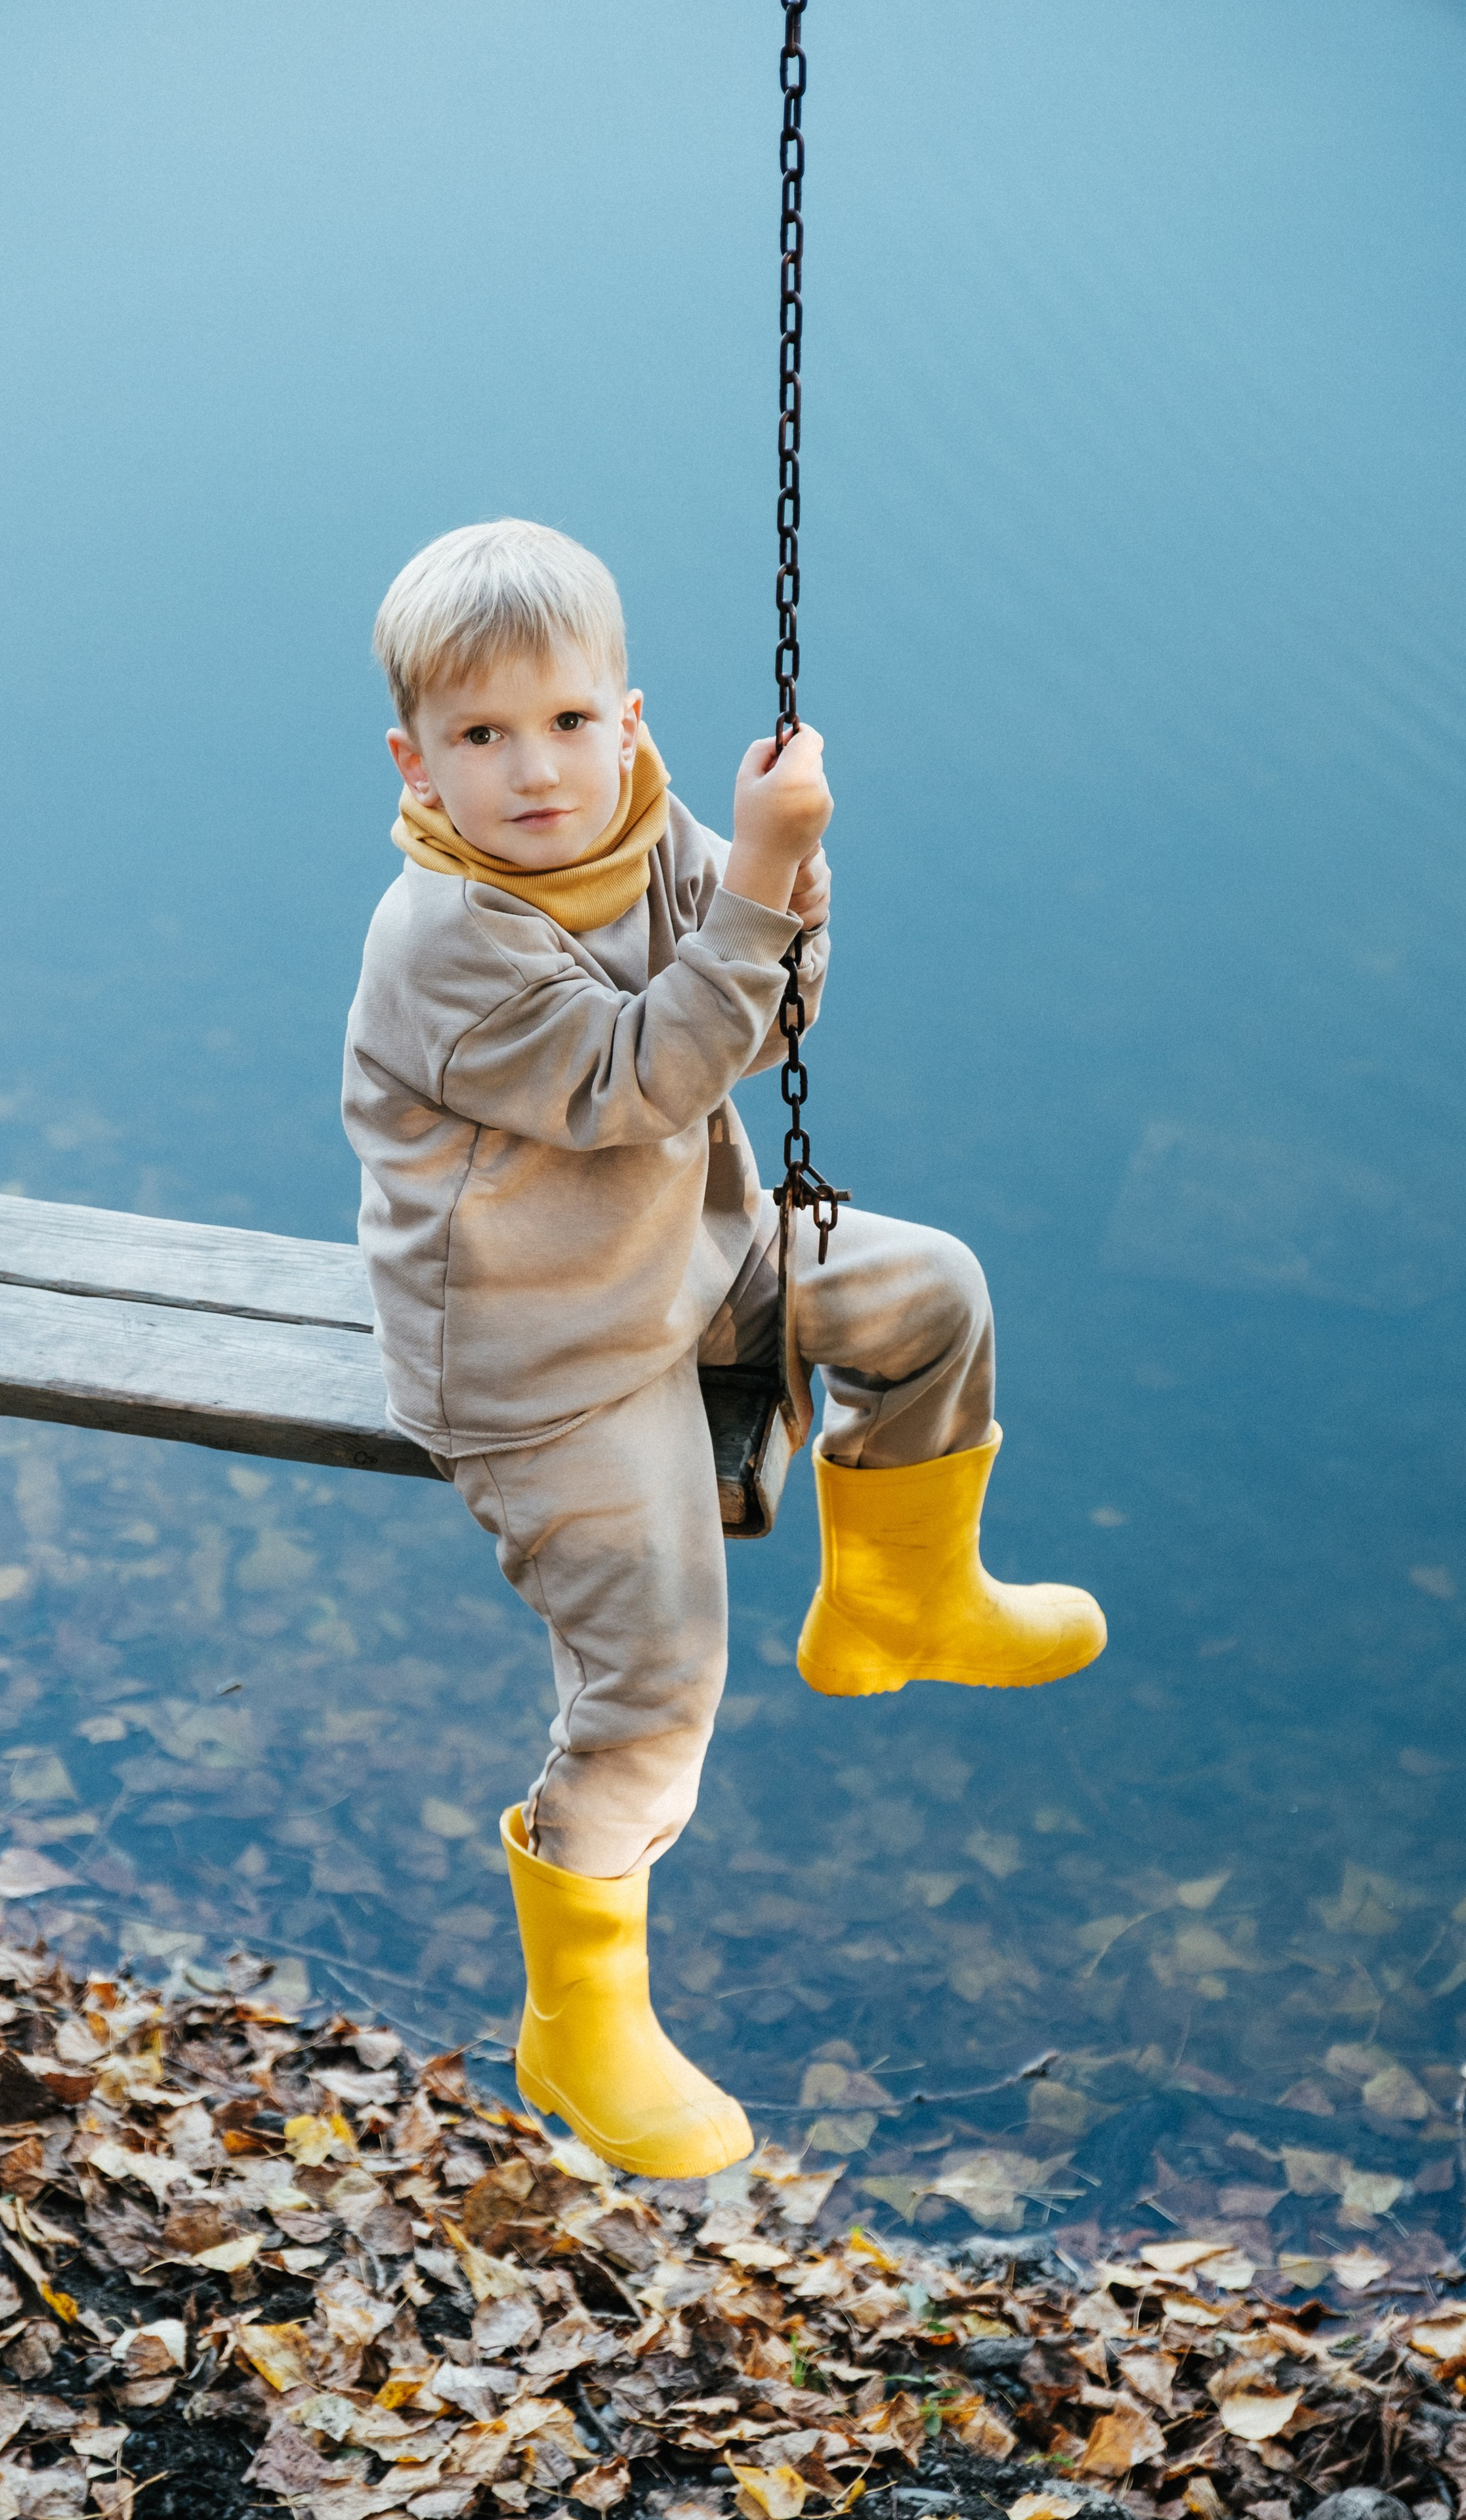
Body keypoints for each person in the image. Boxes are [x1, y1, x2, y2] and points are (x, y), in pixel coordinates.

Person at [342, 519, 1105, 2179]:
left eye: (566, 721)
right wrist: (759, 878)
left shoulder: (646, 829)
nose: (535, 770)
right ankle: (579, 2019)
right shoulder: (441, 942)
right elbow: (643, 1079)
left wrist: (785, 882)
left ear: (626, 720)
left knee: (930, 1295)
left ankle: (898, 1604)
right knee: (657, 1674)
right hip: (540, 1355)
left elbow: (768, 1009)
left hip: (680, 1254)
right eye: (481, 736)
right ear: (416, 761)